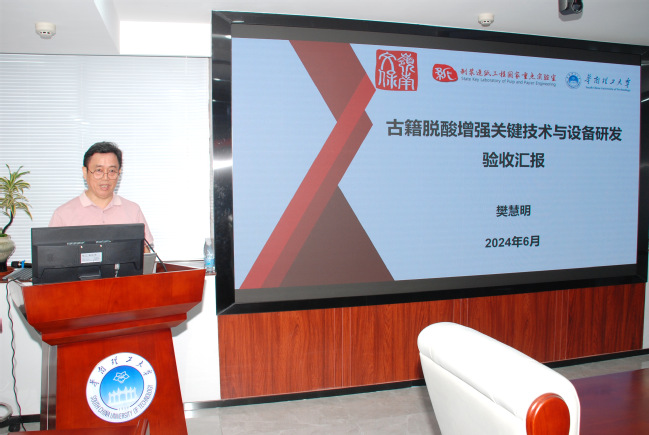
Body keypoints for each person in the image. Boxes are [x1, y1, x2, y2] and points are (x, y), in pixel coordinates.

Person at [49, 141, 154, 247]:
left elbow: (145, 252)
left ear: (119, 173)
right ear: (85, 172)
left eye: (112, 171)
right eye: (99, 170)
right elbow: (51, 254)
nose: (105, 177)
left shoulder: (133, 210)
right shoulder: (63, 214)